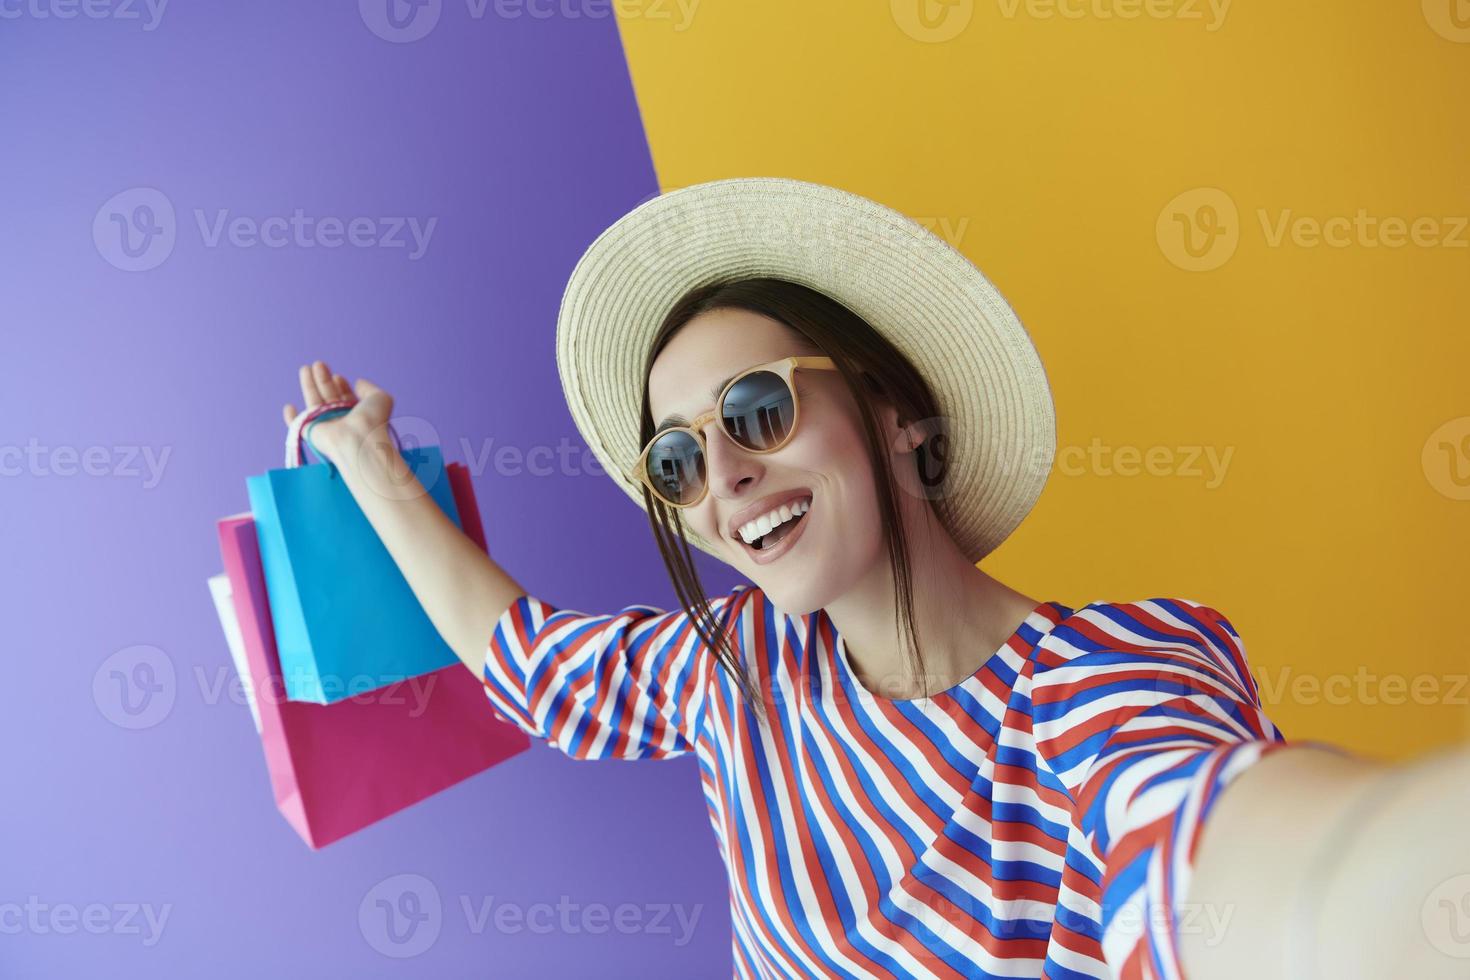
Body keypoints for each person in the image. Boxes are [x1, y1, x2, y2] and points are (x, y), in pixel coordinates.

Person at [281, 178, 1468, 979]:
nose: (728, 475)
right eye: (680, 458)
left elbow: (1226, 841)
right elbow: (535, 667)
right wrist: (368, 459)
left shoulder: (1106, 683)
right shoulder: (733, 665)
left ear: (896, 412)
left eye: (758, 409)